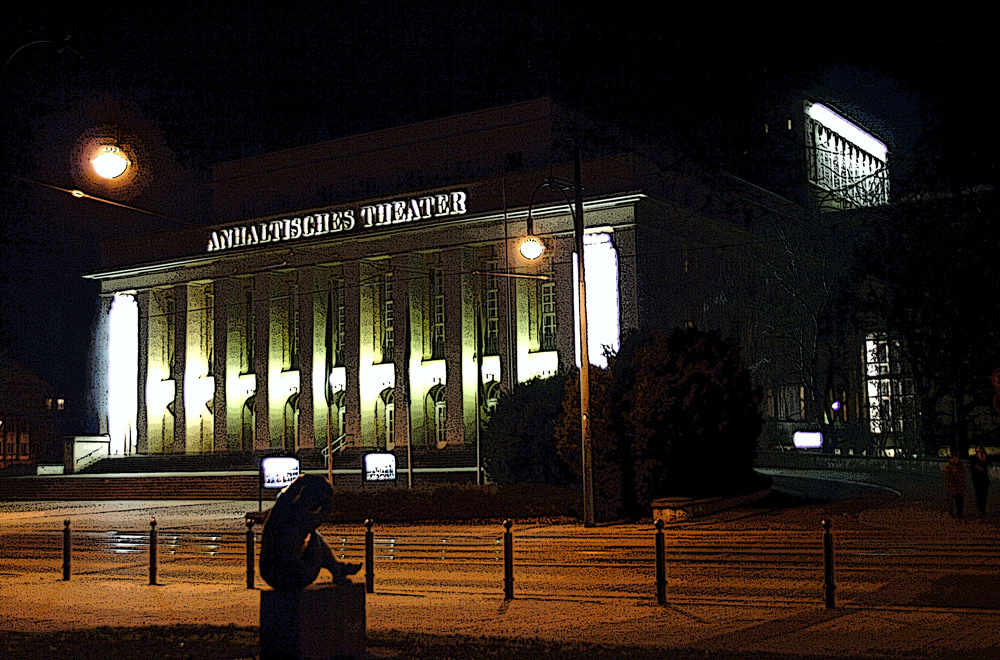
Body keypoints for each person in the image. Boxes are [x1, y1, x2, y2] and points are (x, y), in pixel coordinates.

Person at [969, 445, 991, 518]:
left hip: (984, 478)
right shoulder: (974, 458)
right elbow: (972, 466)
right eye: (978, 450)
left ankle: (983, 509)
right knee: (979, 494)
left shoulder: (985, 457)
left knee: (984, 494)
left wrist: (984, 459)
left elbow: (988, 463)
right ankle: (980, 509)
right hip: (977, 478)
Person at [944, 450, 967, 519]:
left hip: (959, 486)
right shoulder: (949, 467)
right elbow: (947, 476)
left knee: (959, 501)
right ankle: (951, 512)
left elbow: (962, 474)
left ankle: (959, 513)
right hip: (952, 486)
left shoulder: (960, 466)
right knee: (951, 500)